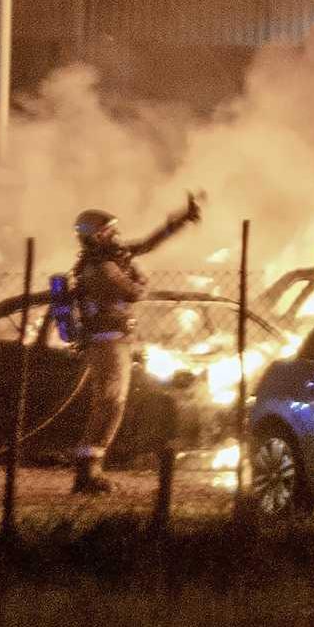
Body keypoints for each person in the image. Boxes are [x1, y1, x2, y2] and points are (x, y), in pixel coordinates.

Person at [60, 196, 199, 493]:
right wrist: (142, 279)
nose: (116, 236)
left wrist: (180, 220)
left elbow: (147, 245)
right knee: (110, 405)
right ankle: (89, 473)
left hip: (113, 342)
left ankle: (89, 470)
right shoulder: (102, 269)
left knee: (109, 404)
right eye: (110, 231)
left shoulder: (107, 260)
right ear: (96, 235)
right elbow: (134, 293)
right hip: (109, 344)